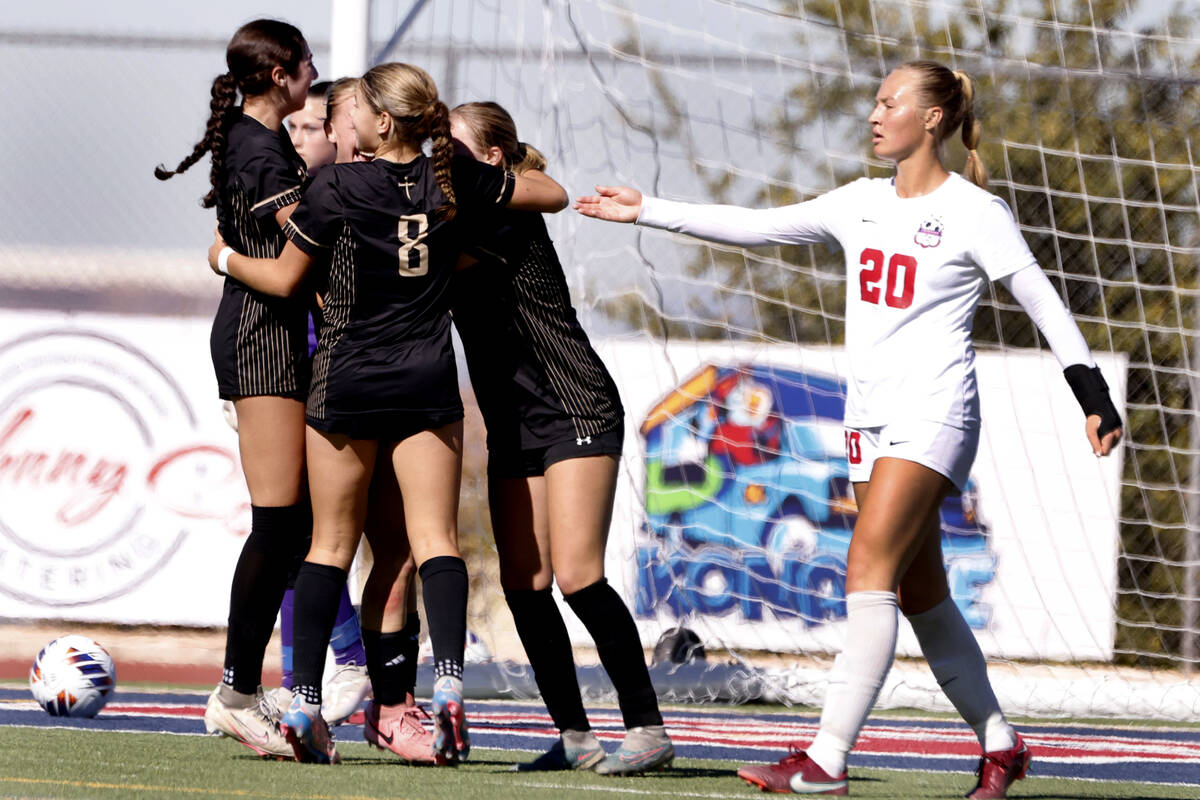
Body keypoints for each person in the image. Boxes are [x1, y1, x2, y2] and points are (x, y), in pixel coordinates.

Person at [575, 60, 1122, 798]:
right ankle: (1001, 743)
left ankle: (826, 758)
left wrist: (1091, 393)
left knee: (865, 572)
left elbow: (1043, 303)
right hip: (867, 422)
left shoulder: (975, 212)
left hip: (935, 415)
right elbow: (756, 228)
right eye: (874, 100)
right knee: (923, 595)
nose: (874, 112)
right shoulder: (860, 201)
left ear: (932, 119)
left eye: (890, 101)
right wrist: (647, 209)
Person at [207, 63, 570, 765]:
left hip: (346, 383)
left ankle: (307, 702)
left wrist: (223, 256)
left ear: (377, 123)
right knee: (435, 541)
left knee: (328, 547)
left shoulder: (335, 186)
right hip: (427, 381)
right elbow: (549, 193)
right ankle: (451, 687)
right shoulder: (451, 180)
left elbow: (284, 275)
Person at [448, 102, 675, 775]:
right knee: (525, 583)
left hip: (576, 408)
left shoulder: (504, 216)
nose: (440, 159)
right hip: (513, 423)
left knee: (578, 577)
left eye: (452, 147)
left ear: (491, 160)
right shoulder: (455, 216)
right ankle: (575, 736)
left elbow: (433, 253)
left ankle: (648, 728)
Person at [154, 18, 318, 760]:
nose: (314, 72)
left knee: (301, 523)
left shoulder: (263, 141)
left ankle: (254, 684)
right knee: (280, 522)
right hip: (260, 340)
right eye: (306, 62)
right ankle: (236, 692)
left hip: (272, 334)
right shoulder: (260, 149)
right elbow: (293, 261)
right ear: (281, 71)